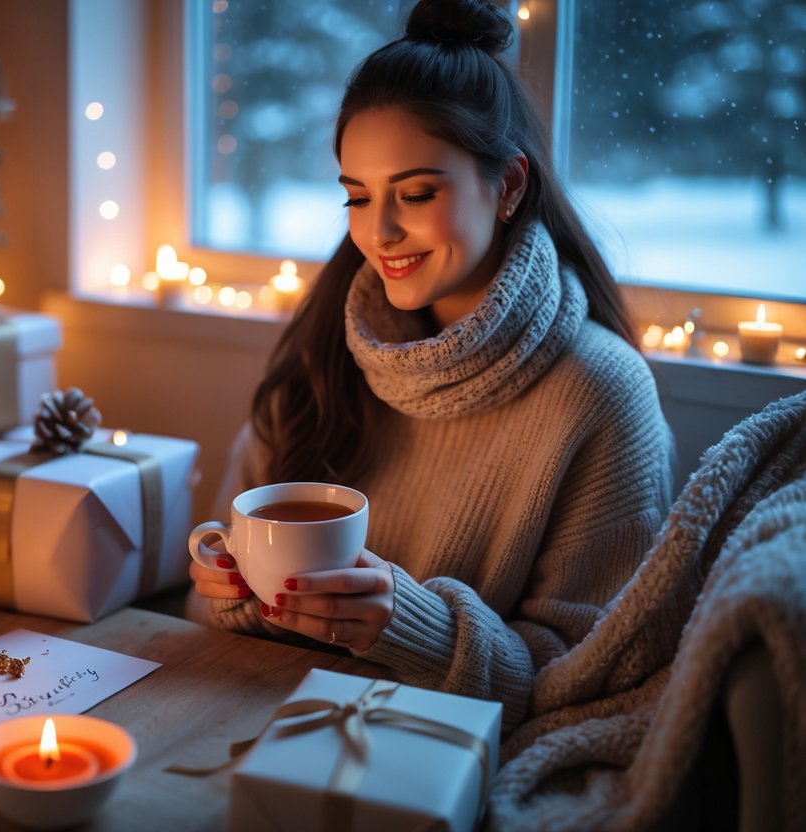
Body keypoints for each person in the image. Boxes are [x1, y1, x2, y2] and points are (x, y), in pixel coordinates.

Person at [187, 0, 674, 733]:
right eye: (356, 196)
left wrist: (411, 627)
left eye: (415, 194)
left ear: (508, 186)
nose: (377, 232)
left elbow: (590, 681)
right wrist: (230, 591)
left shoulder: (599, 394)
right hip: (268, 722)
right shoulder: (326, 349)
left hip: (438, 755)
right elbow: (212, 602)